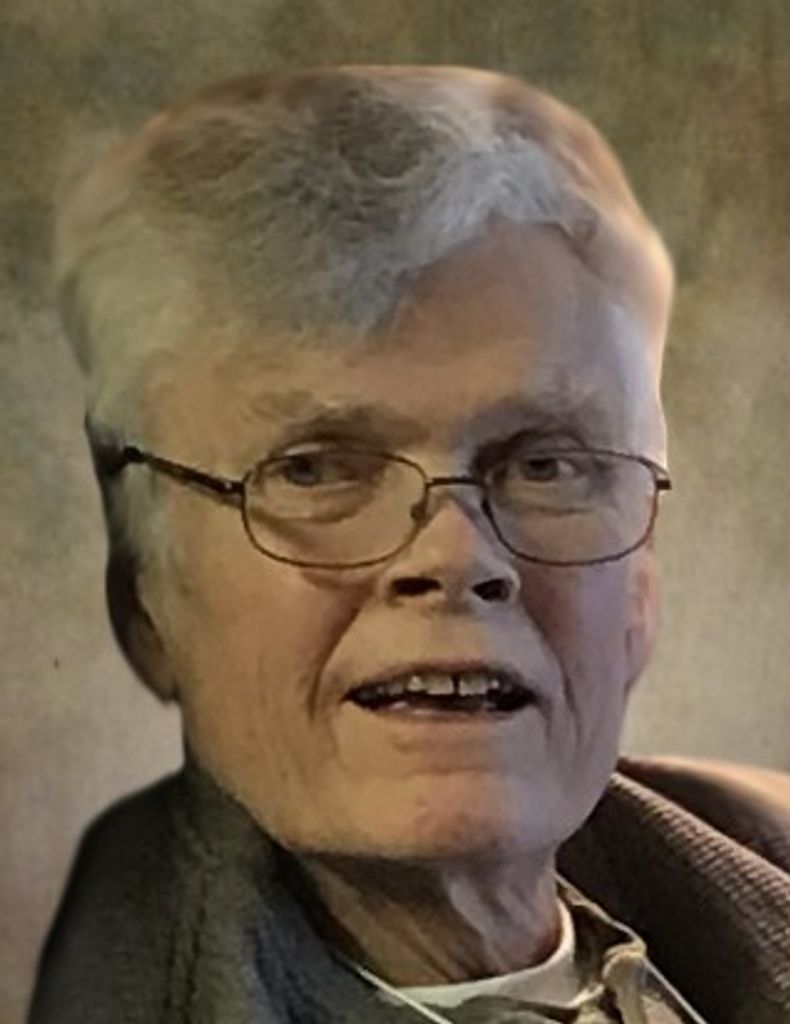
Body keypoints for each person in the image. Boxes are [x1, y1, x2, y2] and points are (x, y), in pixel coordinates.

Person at [30, 66, 790, 1024]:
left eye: (547, 466)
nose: (457, 557)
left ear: (640, 594)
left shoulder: (751, 851)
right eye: (316, 471)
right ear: (148, 602)